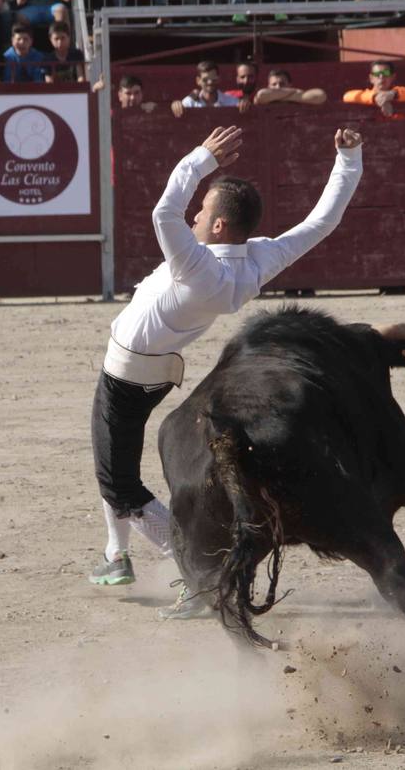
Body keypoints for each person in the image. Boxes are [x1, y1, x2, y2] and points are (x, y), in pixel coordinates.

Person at [88, 124, 365, 613]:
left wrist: (201, 157)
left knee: (120, 484)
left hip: (126, 376)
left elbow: (164, 210)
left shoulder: (195, 265)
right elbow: (322, 222)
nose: (195, 215)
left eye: (204, 212)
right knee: (114, 463)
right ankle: (116, 554)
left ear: (218, 226)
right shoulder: (254, 261)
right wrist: (349, 159)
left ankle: (196, 571)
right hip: (154, 373)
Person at [341, 59, 405, 117]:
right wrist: (375, 98)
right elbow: (346, 96)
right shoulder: (367, 94)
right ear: (371, 78)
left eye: (385, 73)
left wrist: (393, 94)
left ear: (393, 77)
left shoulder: (399, 91)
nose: (381, 77)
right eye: (377, 74)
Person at [170, 59, 243, 116]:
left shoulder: (232, 102)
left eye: (213, 79)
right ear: (198, 81)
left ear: (218, 79)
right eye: (205, 80)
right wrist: (176, 106)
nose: (210, 82)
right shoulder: (189, 103)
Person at [252, 67, 327, 104]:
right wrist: (294, 91)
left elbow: (321, 95)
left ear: (289, 85)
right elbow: (261, 95)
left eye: (282, 84)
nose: (278, 87)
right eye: (274, 84)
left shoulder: (296, 95)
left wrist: (281, 95)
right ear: (268, 86)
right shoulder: (295, 92)